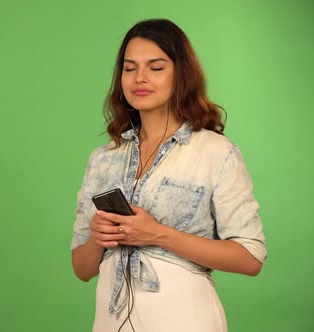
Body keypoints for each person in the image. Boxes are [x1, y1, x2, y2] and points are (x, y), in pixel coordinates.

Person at [70, 18, 267, 332]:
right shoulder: (103, 159)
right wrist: (98, 239)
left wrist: (157, 234)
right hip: (109, 321)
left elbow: (250, 258)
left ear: (181, 74)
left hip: (184, 318)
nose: (140, 78)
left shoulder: (216, 152)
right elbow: (81, 269)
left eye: (156, 67)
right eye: (130, 67)